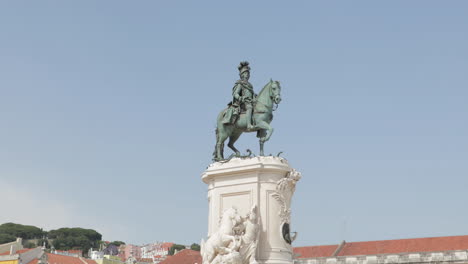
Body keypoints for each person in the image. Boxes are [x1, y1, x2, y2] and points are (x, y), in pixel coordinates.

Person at [222, 61, 256, 130]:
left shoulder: (250, 85)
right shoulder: (240, 84)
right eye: (246, 73)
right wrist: (241, 98)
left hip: (250, 101)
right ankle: (249, 125)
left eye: (248, 73)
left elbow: (251, 94)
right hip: (242, 102)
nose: (247, 75)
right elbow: (235, 94)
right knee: (249, 107)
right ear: (242, 74)